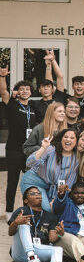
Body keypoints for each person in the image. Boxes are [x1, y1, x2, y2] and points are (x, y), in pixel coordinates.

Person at [0, 69, 43, 220]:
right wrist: (3, 76)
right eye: (22, 89)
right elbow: (4, 92)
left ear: (31, 92)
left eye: (27, 89)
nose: (25, 91)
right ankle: (9, 211)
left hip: (29, 151)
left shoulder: (33, 108)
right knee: (12, 181)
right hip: (13, 150)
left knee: (30, 181)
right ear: (17, 92)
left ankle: (30, 209)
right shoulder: (12, 104)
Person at [8, 186, 75, 262]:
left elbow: (52, 238)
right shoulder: (21, 211)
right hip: (21, 251)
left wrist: (60, 234)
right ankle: (31, 258)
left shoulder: (50, 216)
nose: (37, 195)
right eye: (33, 193)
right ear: (26, 200)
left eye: (39, 193)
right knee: (24, 222)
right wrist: (16, 223)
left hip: (38, 250)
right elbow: (10, 233)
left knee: (58, 249)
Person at [21, 129, 80, 212]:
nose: (68, 139)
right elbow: (29, 163)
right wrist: (43, 148)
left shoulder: (76, 159)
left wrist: (55, 199)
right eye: (65, 137)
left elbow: (69, 183)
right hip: (33, 182)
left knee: (55, 209)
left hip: (51, 188)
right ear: (61, 139)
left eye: (72, 138)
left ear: (76, 141)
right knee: (47, 210)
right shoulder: (51, 149)